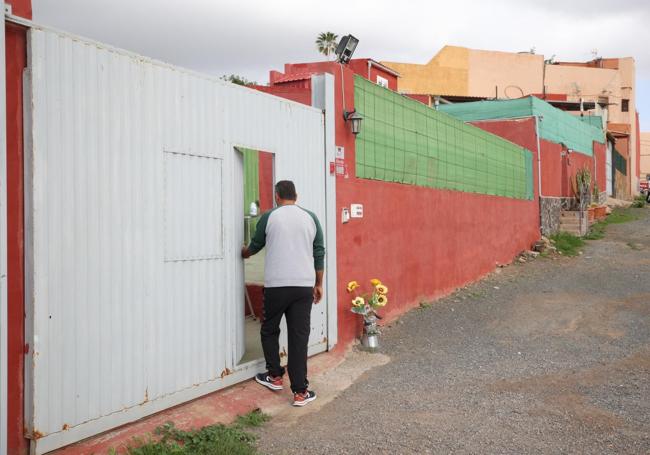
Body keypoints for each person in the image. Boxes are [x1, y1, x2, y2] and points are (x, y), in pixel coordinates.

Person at [241, 180, 325, 407]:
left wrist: (244, 252)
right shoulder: (311, 217)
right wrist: (318, 284)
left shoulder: (269, 217)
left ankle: (275, 376)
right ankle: (300, 392)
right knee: (299, 337)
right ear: (296, 195)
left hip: (276, 286)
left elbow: (255, 245)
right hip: (302, 287)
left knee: (269, 329)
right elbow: (319, 252)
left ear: (277, 195)